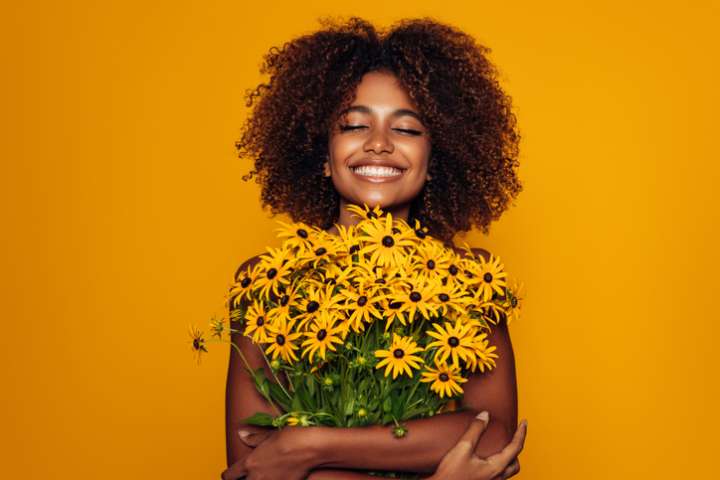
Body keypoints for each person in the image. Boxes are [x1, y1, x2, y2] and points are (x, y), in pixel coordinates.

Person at [223, 16, 527, 479]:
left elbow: (492, 435)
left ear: (435, 157)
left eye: (406, 130)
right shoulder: (269, 280)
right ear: (322, 155)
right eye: (353, 125)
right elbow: (253, 465)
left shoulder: (471, 280)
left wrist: (308, 446)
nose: (379, 145)